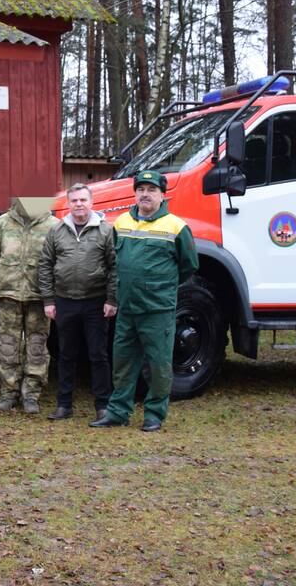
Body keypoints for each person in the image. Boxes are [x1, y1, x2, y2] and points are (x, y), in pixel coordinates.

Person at [92, 170, 197, 432]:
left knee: (159, 365)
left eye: (151, 190)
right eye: (140, 189)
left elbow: (189, 266)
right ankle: (118, 412)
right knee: (123, 363)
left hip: (157, 310)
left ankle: (154, 414)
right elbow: (116, 261)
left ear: (162, 195)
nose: (145, 194)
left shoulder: (176, 227)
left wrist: (161, 287)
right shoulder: (122, 223)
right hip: (127, 308)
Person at [38, 183, 117, 421]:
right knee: (66, 354)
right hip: (64, 302)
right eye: (74, 200)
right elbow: (45, 265)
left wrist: (112, 299)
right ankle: (64, 405)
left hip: (96, 302)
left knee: (98, 355)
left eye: (83, 200)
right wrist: (48, 300)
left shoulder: (106, 230)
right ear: (69, 203)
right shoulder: (57, 231)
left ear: (91, 202)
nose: (79, 204)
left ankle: (103, 405)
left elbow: (114, 267)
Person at [0, 198, 59, 413]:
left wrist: (53, 294)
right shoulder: (3, 222)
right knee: (7, 346)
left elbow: (61, 260)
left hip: (38, 297)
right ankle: (8, 391)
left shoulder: (53, 225)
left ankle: (31, 394)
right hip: (9, 295)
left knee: (37, 346)